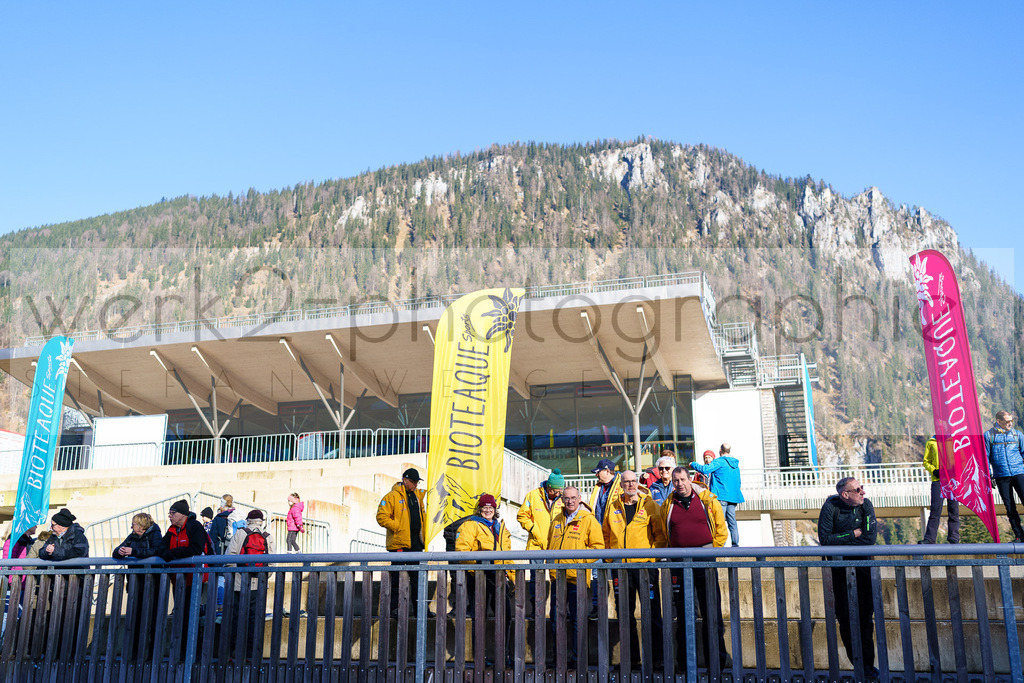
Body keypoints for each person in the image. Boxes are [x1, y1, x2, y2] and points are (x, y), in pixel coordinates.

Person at [660, 466, 729, 674]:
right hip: (679, 563)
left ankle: (715, 664)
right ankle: (685, 664)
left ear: (690, 480)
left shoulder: (708, 500)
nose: (679, 484)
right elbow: (664, 532)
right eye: (675, 481)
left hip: (705, 561)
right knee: (682, 616)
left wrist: (711, 553)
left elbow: (721, 530)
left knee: (711, 614)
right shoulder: (667, 504)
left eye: (682, 479)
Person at [603, 471, 667, 670]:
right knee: (624, 614)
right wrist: (609, 558)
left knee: (652, 612)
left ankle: (657, 659)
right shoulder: (612, 507)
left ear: (637, 483)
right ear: (620, 484)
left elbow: (661, 535)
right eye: (626, 482)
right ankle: (631, 660)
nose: (630, 485)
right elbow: (605, 535)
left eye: (633, 481)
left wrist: (651, 558)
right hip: (621, 569)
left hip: (644, 567)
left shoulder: (649, 505)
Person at [818, 477, 878, 677]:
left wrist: (841, 543)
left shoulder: (865, 505)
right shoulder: (830, 507)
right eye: (858, 489)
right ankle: (858, 665)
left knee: (865, 618)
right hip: (840, 571)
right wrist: (853, 533)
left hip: (863, 568)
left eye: (862, 488)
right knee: (845, 618)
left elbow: (869, 539)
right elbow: (825, 540)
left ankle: (868, 667)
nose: (863, 492)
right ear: (845, 494)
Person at [547, 486, 604, 669]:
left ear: (579, 498)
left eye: (573, 498)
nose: (570, 501)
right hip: (557, 577)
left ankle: (578, 661)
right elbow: (550, 545)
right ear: (562, 500)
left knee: (577, 621)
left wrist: (576, 560)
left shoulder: (589, 520)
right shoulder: (556, 519)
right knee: (556, 621)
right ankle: (559, 659)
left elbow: (597, 548)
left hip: (577, 578)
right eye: (566, 498)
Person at [157, 499, 211, 655]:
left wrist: (173, 554)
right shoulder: (172, 529)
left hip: (193, 578)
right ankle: (181, 650)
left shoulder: (194, 527)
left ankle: (192, 650)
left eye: (173, 513)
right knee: (180, 613)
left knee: (190, 614)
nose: (170, 516)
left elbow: (195, 548)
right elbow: (161, 546)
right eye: (170, 513)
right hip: (178, 579)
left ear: (183, 514)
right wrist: (166, 553)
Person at [112, 513, 163, 660]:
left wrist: (134, 552)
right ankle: (134, 654)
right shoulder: (132, 536)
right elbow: (116, 551)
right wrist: (120, 552)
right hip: (135, 583)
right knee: (135, 619)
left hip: (152, 583)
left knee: (152, 619)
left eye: (133, 524)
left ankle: (152, 655)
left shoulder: (155, 534)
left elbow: (157, 551)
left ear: (141, 525)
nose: (131, 527)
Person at [375, 468, 426, 613]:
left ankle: (419, 610)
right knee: (396, 577)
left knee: (417, 577)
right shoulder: (391, 496)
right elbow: (381, 517)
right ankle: (394, 608)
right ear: (405, 480)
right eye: (413, 482)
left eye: (417, 482)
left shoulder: (417, 496)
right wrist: (398, 527)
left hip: (415, 542)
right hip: (399, 542)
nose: (415, 484)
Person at [226, 509, 274, 660]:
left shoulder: (241, 533)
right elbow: (272, 564)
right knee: (255, 619)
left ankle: (232, 653)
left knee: (236, 618)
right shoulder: (268, 536)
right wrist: (262, 577)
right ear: (261, 521)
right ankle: (251, 654)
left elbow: (229, 557)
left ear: (248, 520)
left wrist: (236, 576)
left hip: (239, 584)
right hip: (259, 585)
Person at [516, 468, 564, 610]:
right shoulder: (533, 496)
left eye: (559, 491)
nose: (557, 494)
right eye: (554, 491)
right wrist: (533, 529)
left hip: (556, 545)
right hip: (536, 544)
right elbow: (522, 515)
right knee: (536, 578)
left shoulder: (563, 498)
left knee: (557, 578)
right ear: (548, 487)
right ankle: (536, 609)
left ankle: (558, 608)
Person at [690, 444, 745, 546]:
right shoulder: (735, 465)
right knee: (732, 522)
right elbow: (738, 481)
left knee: (719, 521)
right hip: (733, 497)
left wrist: (693, 464)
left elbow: (705, 470)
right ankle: (735, 545)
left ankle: (720, 545)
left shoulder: (719, 461)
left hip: (721, 495)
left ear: (720, 450)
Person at [983, 410, 1024, 542]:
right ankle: (1019, 535)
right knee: (1010, 507)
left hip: (1019, 472)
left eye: (1011, 420)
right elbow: (985, 457)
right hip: (1001, 476)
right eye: (1007, 421)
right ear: (999, 421)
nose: (1010, 423)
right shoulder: (988, 436)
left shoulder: (1017, 435)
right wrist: (989, 476)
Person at [588, 458, 621, 617]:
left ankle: (620, 607)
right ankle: (597, 607)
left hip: (615, 538)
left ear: (608, 471)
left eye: (598, 472)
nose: (596, 475)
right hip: (598, 537)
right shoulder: (599, 487)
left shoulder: (621, 485)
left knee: (617, 574)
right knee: (596, 574)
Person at [921, 436, 960, 544]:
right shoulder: (931, 442)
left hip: (953, 480)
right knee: (935, 510)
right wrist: (934, 471)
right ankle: (929, 538)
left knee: (954, 509)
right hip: (938, 480)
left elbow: (961, 458)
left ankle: (954, 538)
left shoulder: (954, 440)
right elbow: (926, 461)